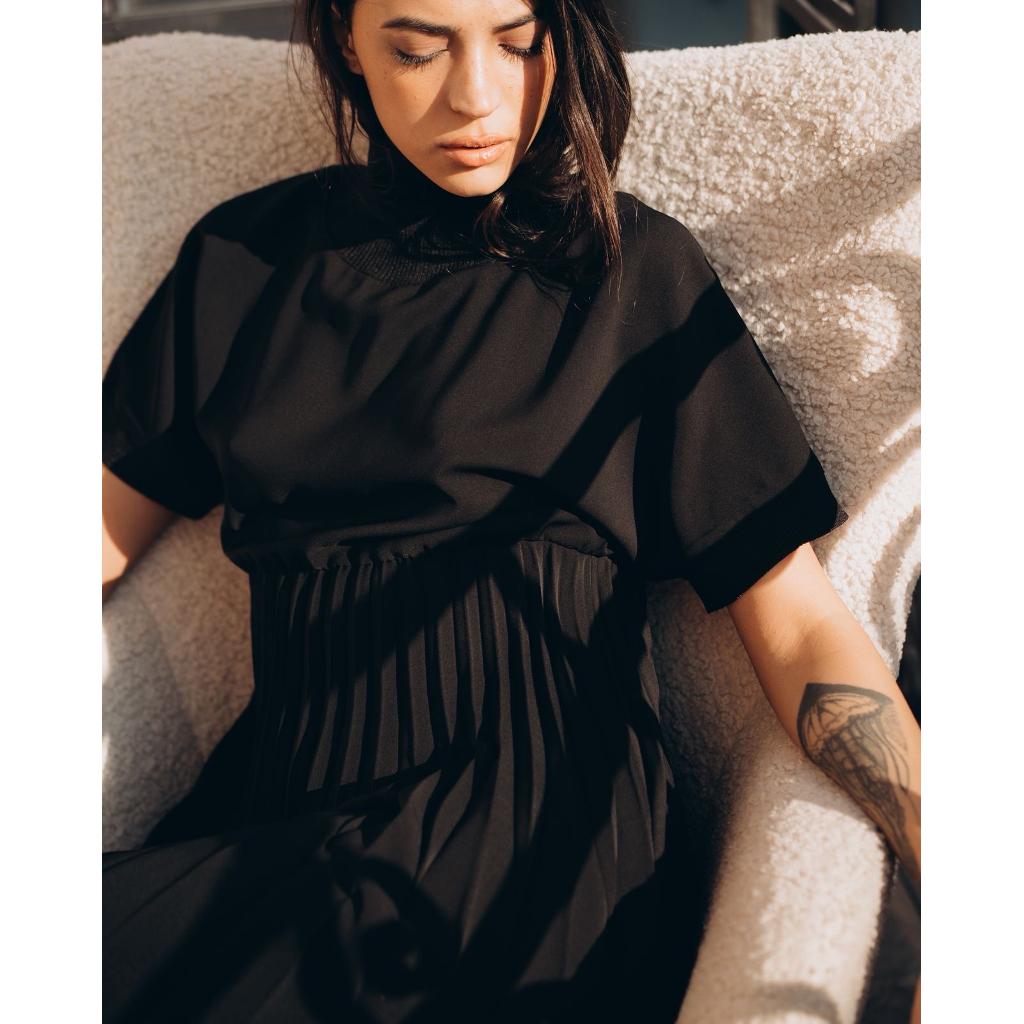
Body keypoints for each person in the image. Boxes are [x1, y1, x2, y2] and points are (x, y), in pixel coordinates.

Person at [102, 1, 922, 1021]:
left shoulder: (633, 275)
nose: (475, 97)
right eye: (417, 49)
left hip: (530, 842)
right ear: (347, 38)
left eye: (518, 41)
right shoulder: (246, 261)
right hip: (281, 819)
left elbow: (797, 624)